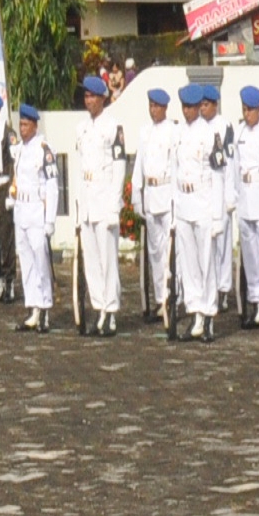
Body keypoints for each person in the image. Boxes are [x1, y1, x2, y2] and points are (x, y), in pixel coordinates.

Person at [70, 74, 130, 336]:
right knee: (92, 261)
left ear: (103, 98)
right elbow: (79, 167)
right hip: (87, 200)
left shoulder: (113, 126)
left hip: (105, 200)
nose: (88, 100)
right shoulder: (81, 128)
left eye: (92, 96)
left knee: (108, 261)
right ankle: (99, 309)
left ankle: (111, 311)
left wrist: (115, 205)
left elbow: (119, 166)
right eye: (86, 96)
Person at [170, 86, 227, 341]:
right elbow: (174, 171)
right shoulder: (178, 133)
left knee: (206, 263)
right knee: (189, 263)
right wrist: (174, 210)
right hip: (184, 203)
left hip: (204, 203)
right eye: (184, 107)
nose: (187, 111)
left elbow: (218, 176)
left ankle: (209, 315)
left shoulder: (210, 134)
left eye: (191, 107)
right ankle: (195, 314)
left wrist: (217, 216)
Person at [229, 85, 259, 329]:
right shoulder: (239, 133)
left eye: (250, 110)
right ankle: (255, 300)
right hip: (246, 198)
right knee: (249, 254)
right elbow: (234, 168)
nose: (247, 114)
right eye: (244, 110)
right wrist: (235, 197)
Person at [10, 104, 60, 330]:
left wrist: (50, 219)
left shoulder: (44, 149)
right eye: (20, 124)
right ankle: (33, 307)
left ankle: (46, 307)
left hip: (37, 211)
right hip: (21, 208)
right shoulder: (19, 149)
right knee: (26, 261)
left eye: (26, 125)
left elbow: (52, 185)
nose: (22, 128)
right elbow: (16, 177)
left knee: (41, 260)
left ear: (35, 125)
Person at [134, 87, 178, 321]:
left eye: (157, 106)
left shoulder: (173, 131)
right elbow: (139, 164)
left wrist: (175, 199)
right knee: (154, 252)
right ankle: (160, 299)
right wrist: (136, 193)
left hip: (167, 192)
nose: (153, 110)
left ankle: (171, 296)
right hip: (151, 194)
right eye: (151, 106)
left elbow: (175, 166)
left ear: (165, 108)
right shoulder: (145, 132)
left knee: (169, 251)